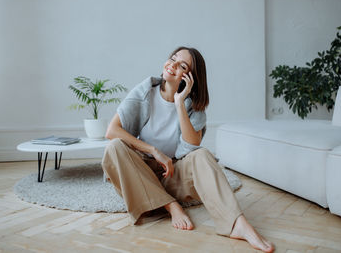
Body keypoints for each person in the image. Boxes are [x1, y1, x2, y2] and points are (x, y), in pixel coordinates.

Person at [101, 46, 274, 252]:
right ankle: (171, 206)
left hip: (172, 174)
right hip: (140, 173)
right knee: (114, 147)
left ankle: (237, 224)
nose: (172, 65)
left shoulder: (194, 107)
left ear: (190, 78)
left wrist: (179, 103)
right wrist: (154, 151)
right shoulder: (145, 90)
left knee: (202, 155)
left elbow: (190, 147)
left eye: (182, 65)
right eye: (172, 59)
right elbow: (112, 130)